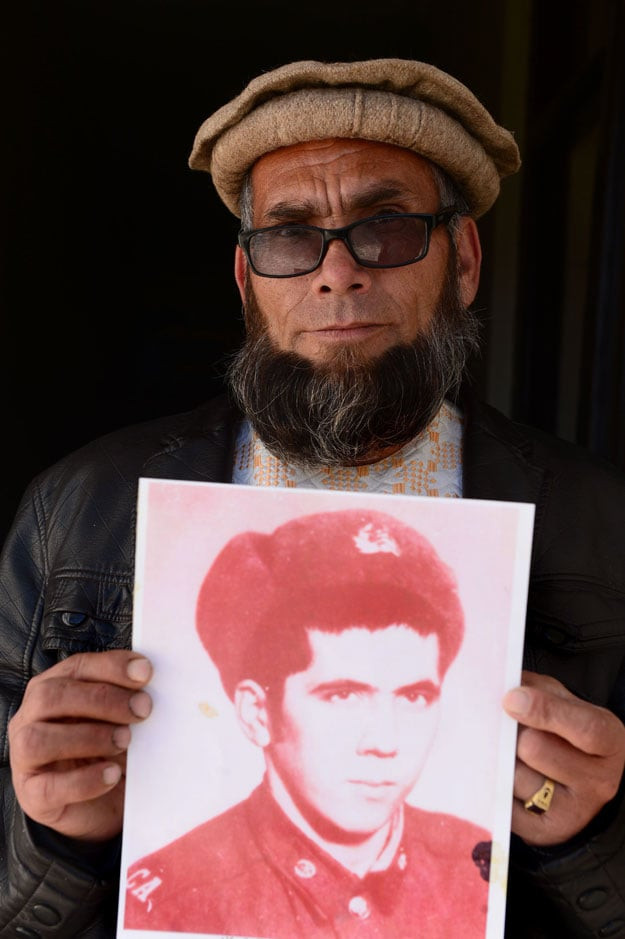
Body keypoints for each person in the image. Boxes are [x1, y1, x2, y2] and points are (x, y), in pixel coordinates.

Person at [1, 57, 624, 939]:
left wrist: (586, 839)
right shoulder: (75, 512)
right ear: (246, 278)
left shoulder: (601, 525)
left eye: (387, 227)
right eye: (291, 237)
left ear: (464, 261)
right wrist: (59, 835)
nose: (336, 274)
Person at [124, 508, 490, 937]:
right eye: (343, 696)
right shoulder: (170, 905)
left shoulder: (482, 870)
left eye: (414, 697)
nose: (384, 742)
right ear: (258, 714)